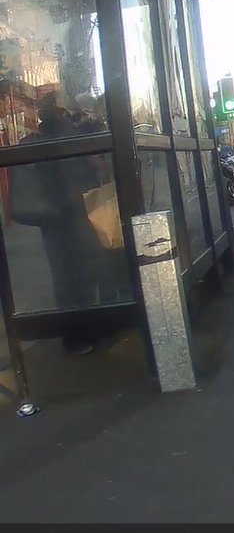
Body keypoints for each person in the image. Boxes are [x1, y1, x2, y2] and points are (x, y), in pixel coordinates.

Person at [13, 94, 123, 354]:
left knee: (64, 278)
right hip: (76, 212)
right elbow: (84, 171)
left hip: (52, 218)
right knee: (86, 275)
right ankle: (90, 332)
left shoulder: (40, 137)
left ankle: (73, 337)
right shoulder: (71, 134)